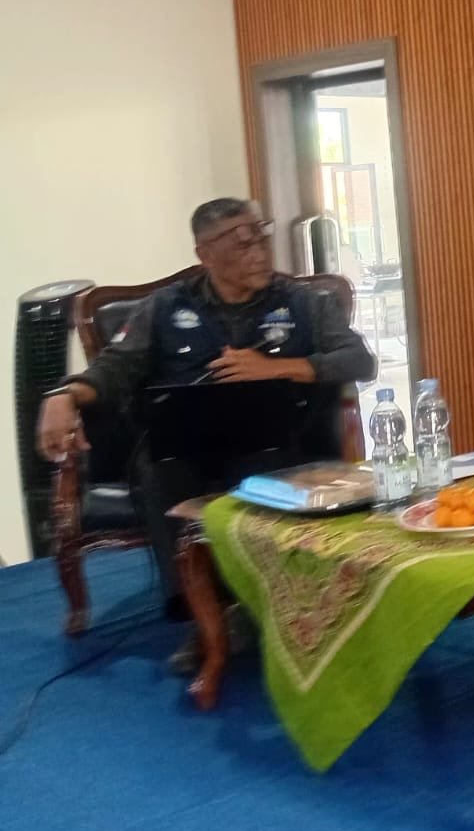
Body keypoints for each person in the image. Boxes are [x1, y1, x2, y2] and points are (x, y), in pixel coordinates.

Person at [35, 198, 376, 653]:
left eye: (261, 236)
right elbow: (114, 369)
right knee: (159, 471)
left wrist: (279, 368)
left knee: (266, 472)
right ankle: (202, 615)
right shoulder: (165, 307)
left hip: (270, 439)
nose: (258, 251)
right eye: (241, 242)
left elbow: (359, 360)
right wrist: (63, 395)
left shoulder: (303, 302)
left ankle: (262, 604)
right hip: (183, 443)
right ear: (205, 253)